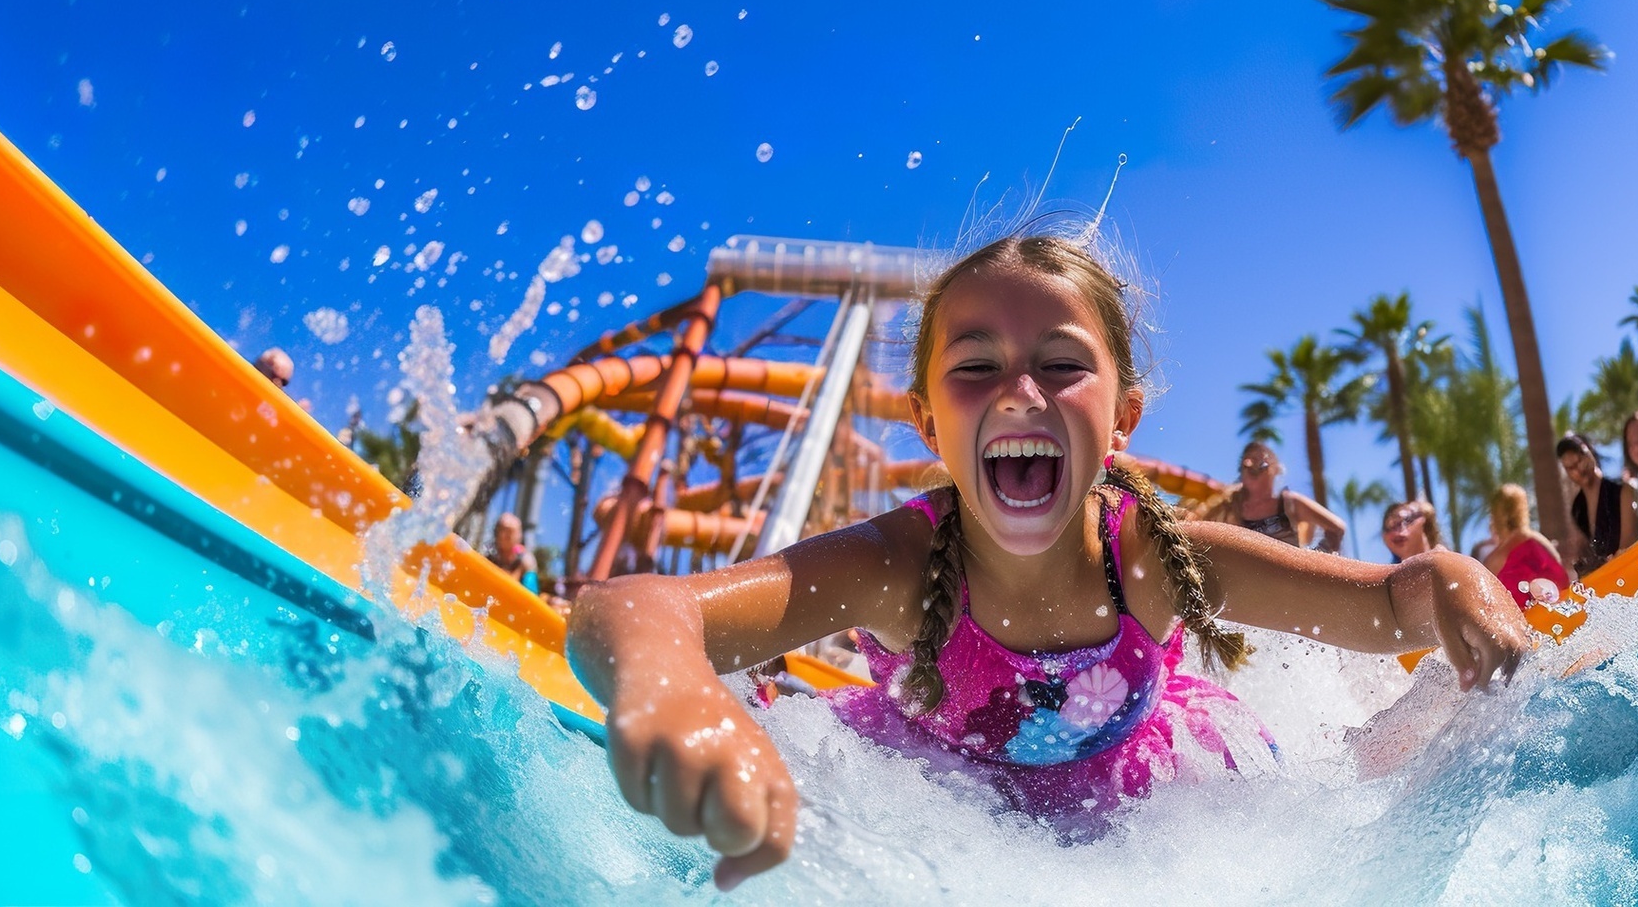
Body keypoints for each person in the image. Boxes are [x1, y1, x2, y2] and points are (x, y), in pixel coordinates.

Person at [564, 231, 1529, 888]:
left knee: (1357, 780)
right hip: (938, 791)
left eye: (1062, 363)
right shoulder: (897, 563)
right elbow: (631, 605)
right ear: (930, 424)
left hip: (1149, 787)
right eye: (975, 365)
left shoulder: (1152, 557)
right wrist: (674, 689)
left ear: (1123, 420)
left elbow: (1385, 608)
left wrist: (1454, 582)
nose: (1020, 389)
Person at [1204, 441, 1348, 553]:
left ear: (1275, 470)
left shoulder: (1290, 503)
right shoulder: (1229, 508)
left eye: (1261, 464)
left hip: (1291, 585)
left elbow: (1336, 528)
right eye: (1246, 464)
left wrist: (1310, 564)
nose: (1250, 465)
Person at [1557, 433, 1638, 574]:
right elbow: (1583, 552)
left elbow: (1628, 544)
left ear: (1590, 451)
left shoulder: (1621, 490)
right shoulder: (1577, 508)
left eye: (1581, 458)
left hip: (1629, 568)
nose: (1579, 469)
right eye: (1571, 467)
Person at [1483, 484, 1570, 608]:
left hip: (1527, 621)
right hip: (1561, 609)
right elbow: (1562, 573)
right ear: (1522, 509)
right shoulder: (1538, 540)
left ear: (1495, 514)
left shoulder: (1495, 560)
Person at [1381, 500, 1447, 561]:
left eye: (1406, 520)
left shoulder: (1447, 561)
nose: (1396, 533)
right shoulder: (1389, 573)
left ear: (1422, 519)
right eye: (1389, 527)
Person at [491, 512, 540, 593]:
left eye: (509, 532)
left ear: (519, 536)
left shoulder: (525, 562)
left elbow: (531, 596)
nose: (503, 535)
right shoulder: (489, 557)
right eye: (500, 530)